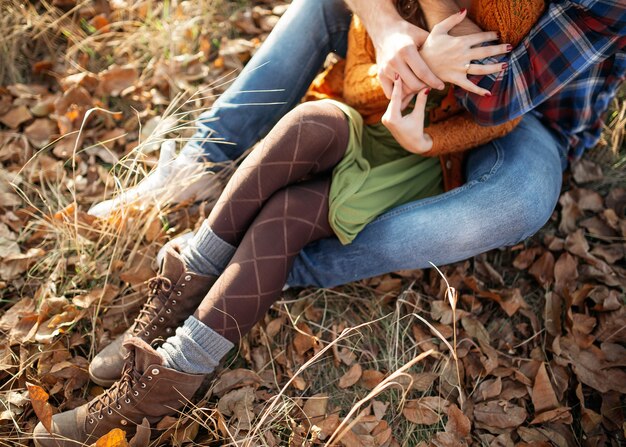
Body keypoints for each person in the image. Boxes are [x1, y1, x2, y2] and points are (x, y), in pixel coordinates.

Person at [33, 0, 625, 444]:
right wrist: (398, 36)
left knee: (286, 217)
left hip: (488, 127)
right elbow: (366, 77)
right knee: (309, 125)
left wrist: (426, 108)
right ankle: (195, 257)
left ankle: (174, 368)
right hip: (376, 101)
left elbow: (494, 102)